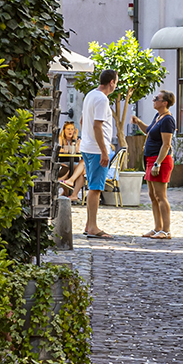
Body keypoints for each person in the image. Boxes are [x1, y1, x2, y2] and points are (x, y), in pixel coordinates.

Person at [79, 69, 119, 239]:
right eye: (116, 82)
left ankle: (89, 224)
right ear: (111, 82)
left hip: (87, 147)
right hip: (96, 150)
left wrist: (87, 138)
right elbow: (98, 126)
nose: (116, 85)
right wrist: (104, 151)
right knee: (96, 188)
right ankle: (93, 227)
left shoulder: (90, 95)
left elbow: (82, 121)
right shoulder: (102, 99)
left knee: (93, 186)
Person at [133, 91, 177, 240]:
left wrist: (158, 163)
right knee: (152, 195)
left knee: (160, 196)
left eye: (156, 99)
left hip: (160, 161)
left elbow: (166, 145)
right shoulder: (158, 117)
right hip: (151, 159)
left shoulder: (167, 120)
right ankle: (157, 227)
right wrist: (138, 122)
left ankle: (166, 230)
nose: (153, 100)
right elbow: (148, 131)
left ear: (165, 103)